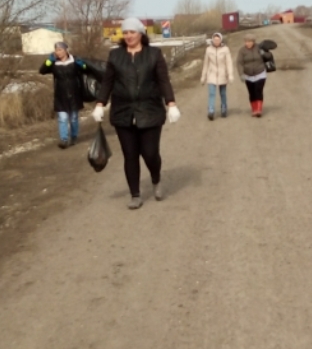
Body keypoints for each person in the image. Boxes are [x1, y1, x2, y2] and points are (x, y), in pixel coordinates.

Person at [93, 17, 181, 210]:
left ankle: (156, 179)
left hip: (149, 110)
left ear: (141, 33)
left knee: (150, 153)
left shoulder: (154, 54)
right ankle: (135, 194)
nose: (128, 36)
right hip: (123, 112)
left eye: (132, 32)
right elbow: (107, 82)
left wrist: (171, 103)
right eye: (125, 33)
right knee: (130, 155)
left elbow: (163, 81)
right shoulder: (115, 56)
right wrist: (100, 103)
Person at [39, 41, 88, 148]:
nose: (58, 52)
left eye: (60, 50)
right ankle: (64, 139)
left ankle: (74, 136)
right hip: (60, 94)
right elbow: (42, 71)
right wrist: (49, 61)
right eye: (56, 50)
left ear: (66, 50)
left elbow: (86, 68)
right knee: (62, 118)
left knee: (74, 117)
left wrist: (82, 64)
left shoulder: (74, 61)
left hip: (74, 93)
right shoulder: (54, 63)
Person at [200, 32, 234, 120]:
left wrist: (230, 75)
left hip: (223, 74)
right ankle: (211, 111)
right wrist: (203, 77)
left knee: (223, 93)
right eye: (214, 39)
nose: (216, 41)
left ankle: (224, 108)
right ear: (212, 40)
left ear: (221, 39)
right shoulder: (208, 50)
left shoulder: (225, 49)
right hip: (212, 74)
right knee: (211, 93)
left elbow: (229, 63)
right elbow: (206, 64)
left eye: (218, 39)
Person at [236, 34, 268, 117]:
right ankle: (254, 109)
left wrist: (264, 53)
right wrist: (241, 74)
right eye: (246, 41)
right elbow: (239, 63)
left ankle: (259, 110)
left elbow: (269, 56)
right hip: (248, 75)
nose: (248, 43)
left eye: (250, 41)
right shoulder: (242, 51)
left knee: (258, 90)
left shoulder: (259, 48)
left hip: (260, 72)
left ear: (253, 42)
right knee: (252, 92)